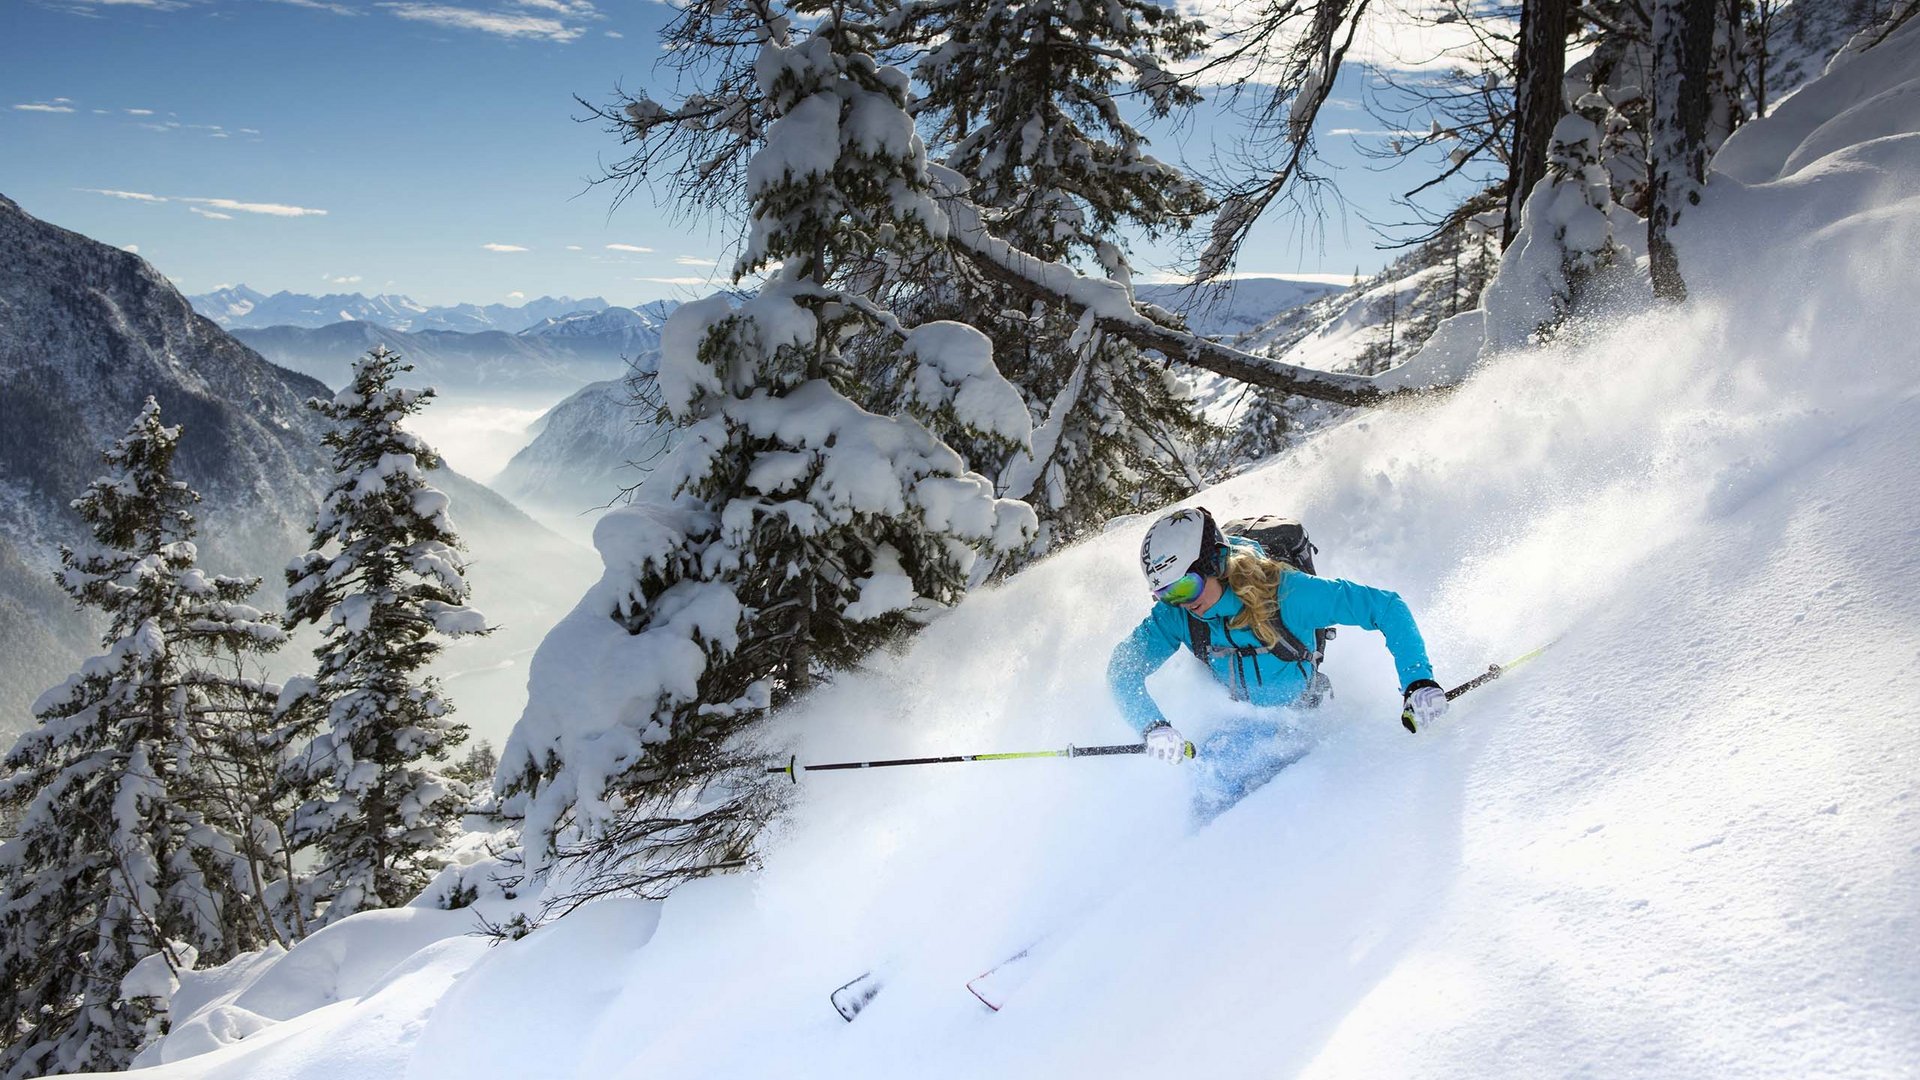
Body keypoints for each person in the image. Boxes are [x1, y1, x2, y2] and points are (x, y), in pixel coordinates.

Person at [1109, 507, 1448, 812]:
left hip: (1308, 721)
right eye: (1164, 594)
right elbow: (1123, 670)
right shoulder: (1176, 615)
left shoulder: (1288, 593)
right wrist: (1152, 726)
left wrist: (1417, 681)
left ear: (1214, 563)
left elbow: (1385, 607)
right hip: (1242, 726)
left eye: (1184, 588)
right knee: (1211, 794)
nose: (1179, 602)